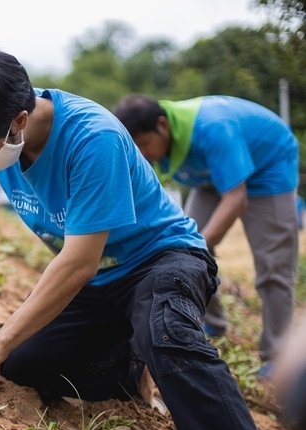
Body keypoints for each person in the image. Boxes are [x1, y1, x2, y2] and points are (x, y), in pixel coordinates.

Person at [0, 45, 266, 430]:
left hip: (161, 258)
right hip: (102, 277)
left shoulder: (92, 138)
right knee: (25, 365)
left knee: (165, 334)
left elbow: (79, 261)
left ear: (19, 122)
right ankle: (129, 369)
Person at [112, 94, 300, 378]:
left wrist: (199, 243)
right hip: (210, 177)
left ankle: (277, 352)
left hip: (268, 169)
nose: (145, 153)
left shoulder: (214, 128)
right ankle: (213, 323)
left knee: (273, 266)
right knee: (180, 249)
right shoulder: (168, 140)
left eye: (146, 145)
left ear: (162, 125)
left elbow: (236, 199)